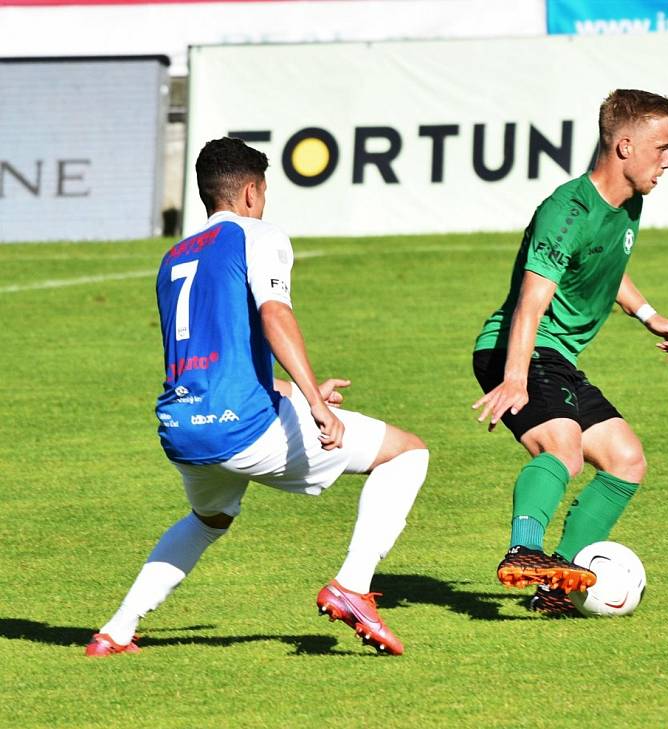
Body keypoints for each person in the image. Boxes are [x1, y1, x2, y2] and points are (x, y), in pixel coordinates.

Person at [86, 137, 428, 657]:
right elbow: (275, 314)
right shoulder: (257, 234)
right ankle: (352, 587)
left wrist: (294, 388)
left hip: (182, 428)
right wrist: (314, 403)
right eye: (263, 193)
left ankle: (117, 629)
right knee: (407, 453)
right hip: (242, 428)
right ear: (250, 192)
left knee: (210, 519)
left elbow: (215, 357)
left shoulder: (174, 257)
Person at [472, 89, 668, 615]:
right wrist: (516, 378)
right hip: (517, 349)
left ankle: (556, 583)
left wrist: (647, 313)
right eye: (661, 147)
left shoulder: (628, 203)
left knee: (627, 460)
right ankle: (524, 550)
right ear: (625, 147)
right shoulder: (566, 211)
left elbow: (606, 265)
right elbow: (530, 304)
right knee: (563, 450)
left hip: (557, 358)